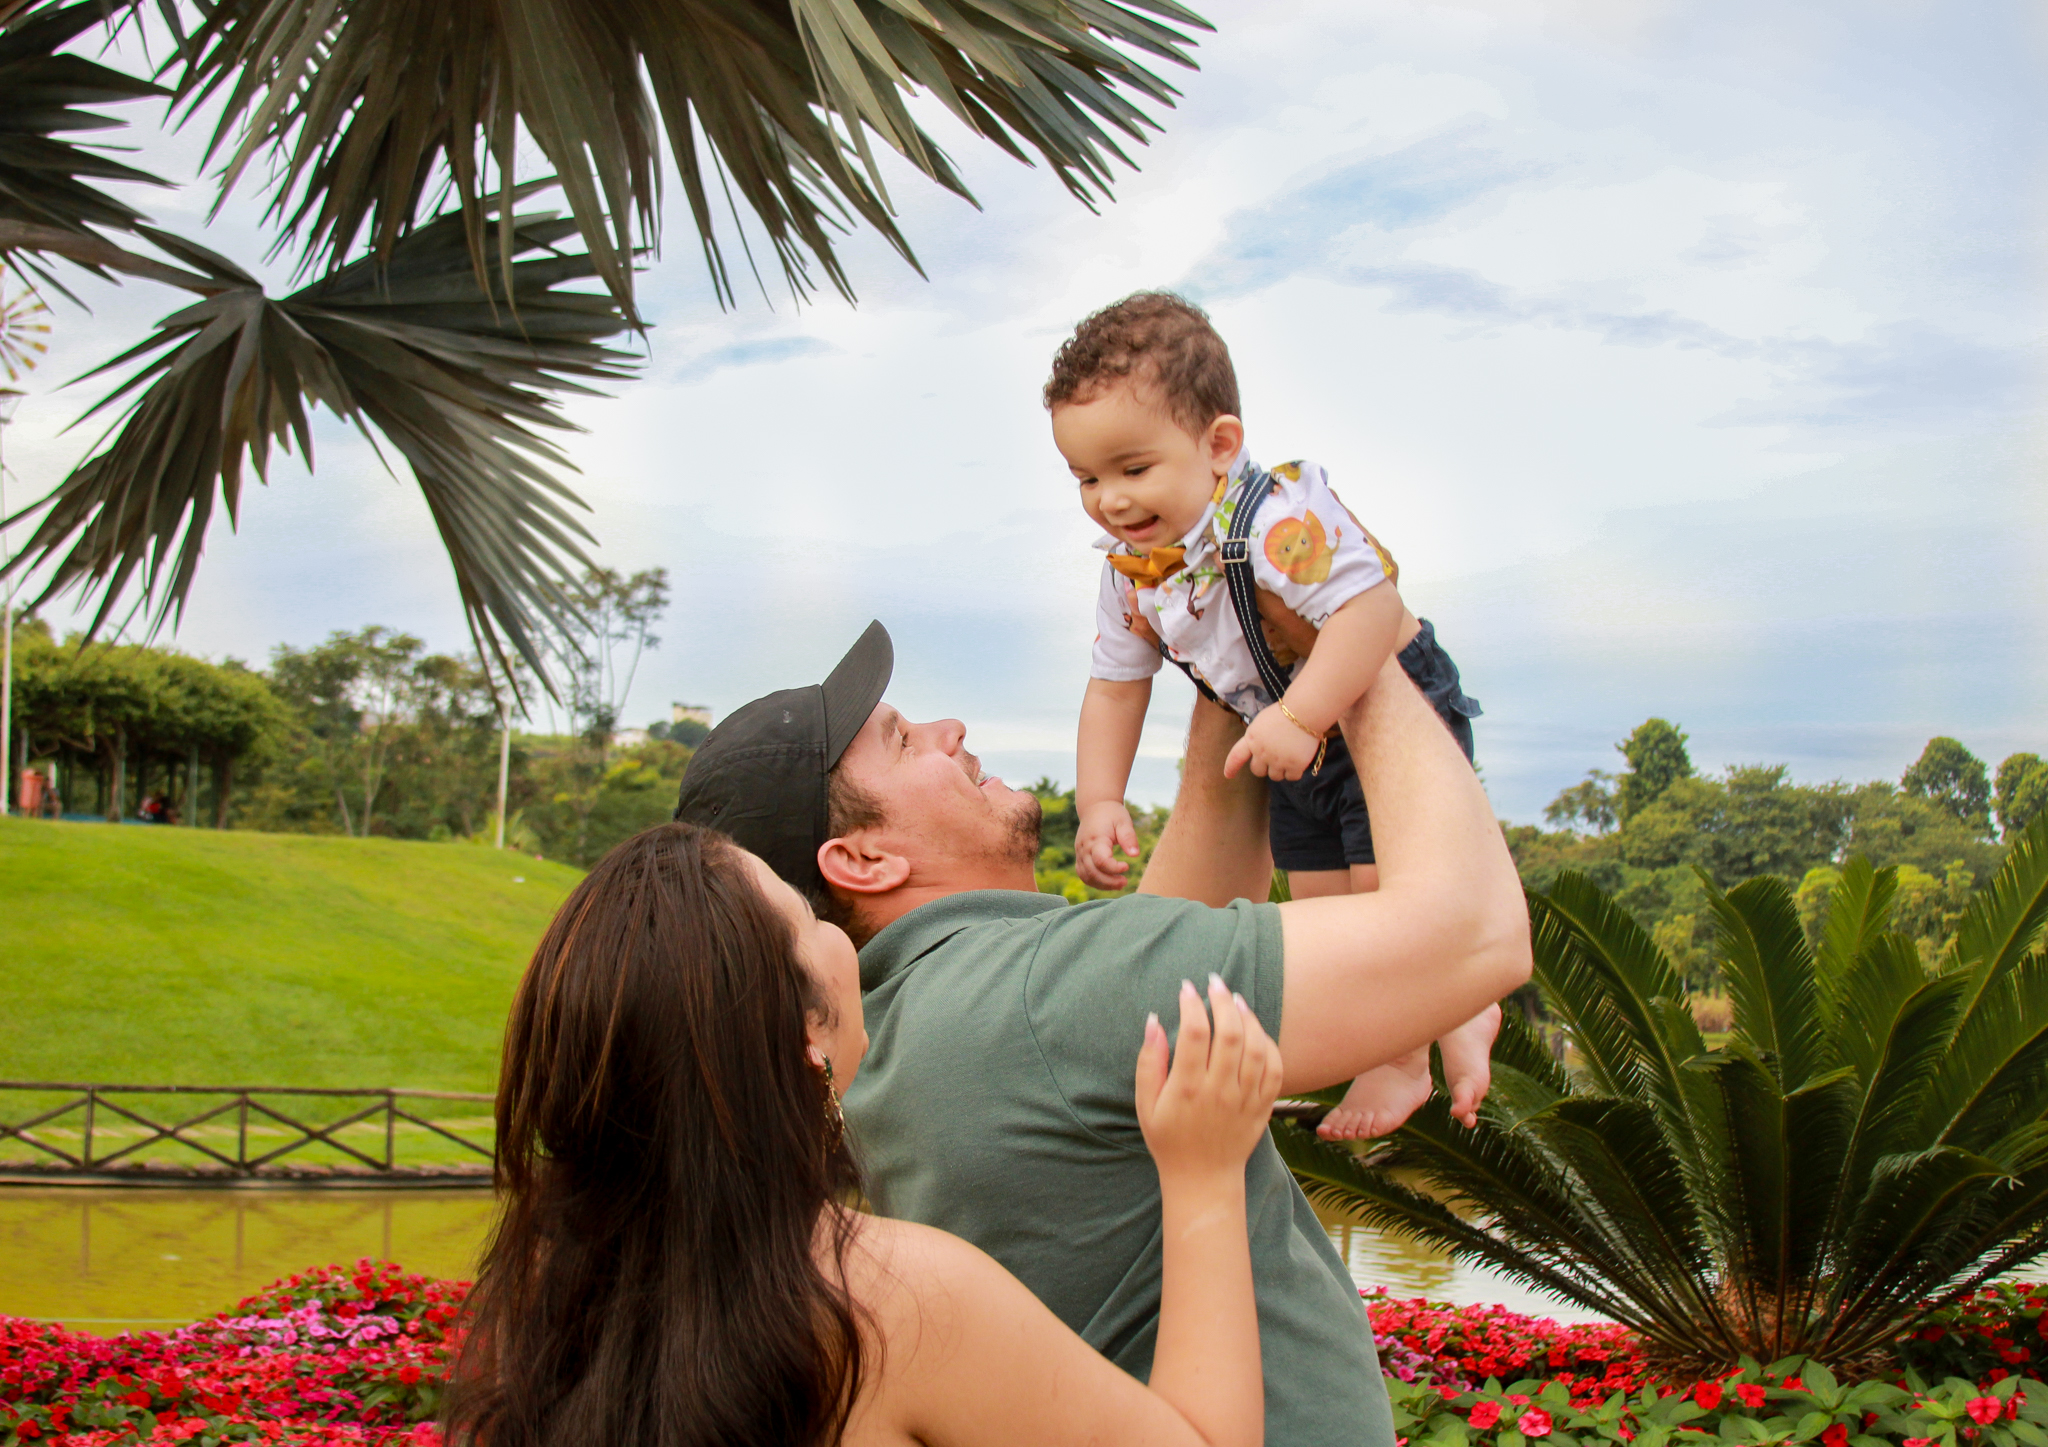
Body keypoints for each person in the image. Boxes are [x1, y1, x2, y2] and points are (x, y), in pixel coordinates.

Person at [672, 619, 1530, 1447]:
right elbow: (1479, 934)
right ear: (863, 860)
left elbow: (1170, 918)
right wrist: (1355, 634)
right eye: (903, 742)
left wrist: (1217, 635)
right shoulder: (1044, 995)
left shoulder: (906, 1025)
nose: (951, 730)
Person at [446, 821, 1285, 1447]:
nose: (835, 929)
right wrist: (1204, 1176)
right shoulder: (893, 1300)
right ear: (801, 1033)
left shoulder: (548, 1294)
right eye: (805, 920)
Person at [1048, 290, 1493, 1141]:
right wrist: (1100, 796)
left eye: (1132, 469)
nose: (1108, 500)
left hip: (1373, 702)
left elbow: (1367, 606)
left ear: (1219, 444)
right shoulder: (1132, 571)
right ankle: (1457, 1015)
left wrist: (1306, 712)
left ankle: (1406, 1054)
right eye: (1086, 478)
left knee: (1384, 896)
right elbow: (1115, 683)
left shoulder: (1278, 518)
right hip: (1283, 732)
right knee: (1321, 907)